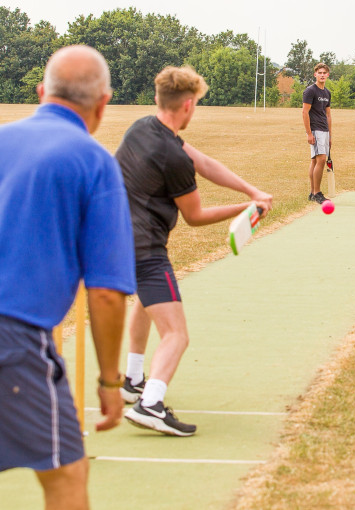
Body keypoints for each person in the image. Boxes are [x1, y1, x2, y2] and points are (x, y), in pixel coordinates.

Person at [0, 45, 136, 510]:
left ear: (41, 92)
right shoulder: (94, 161)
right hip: (15, 340)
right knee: (66, 474)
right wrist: (110, 382)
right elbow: (106, 294)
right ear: (103, 103)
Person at [116, 65, 272, 436]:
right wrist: (249, 209)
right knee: (177, 334)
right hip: (145, 248)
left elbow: (204, 163)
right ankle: (150, 402)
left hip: (115, 241)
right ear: (188, 105)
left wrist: (252, 191)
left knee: (146, 302)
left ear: (158, 98)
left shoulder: (142, 128)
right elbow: (196, 216)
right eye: (197, 104)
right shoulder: (172, 156)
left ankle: (132, 379)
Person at [302, 62, 332, 204]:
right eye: (319, 73)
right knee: (320, 160)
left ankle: (313, 193)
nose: (322, 75)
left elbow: (328, 115)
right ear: (315, 74)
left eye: (324, 73)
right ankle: (317, 193)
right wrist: (309, 133)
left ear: (327, 75)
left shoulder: (327, 93)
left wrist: (330, 135)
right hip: (315, 129)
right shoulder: (310, 91)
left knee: (315, 160)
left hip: (324, 130)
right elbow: (304, 112)